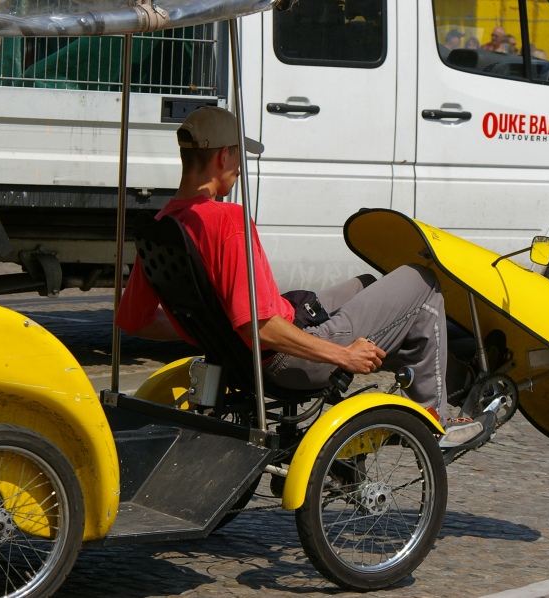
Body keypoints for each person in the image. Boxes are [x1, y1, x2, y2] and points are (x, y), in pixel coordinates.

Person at [116, 106, 488, 448]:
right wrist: (343, 355)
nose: (241, 166)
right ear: (222, 157)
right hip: (289, 361)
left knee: (366, 285)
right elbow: (259, 326)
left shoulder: (164, 225)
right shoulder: (228, 221)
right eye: (239, 156)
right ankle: (436, 421)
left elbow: (135, 320)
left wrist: (206, 330)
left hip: (247, 356)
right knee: (422, 282)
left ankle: (448, 378)